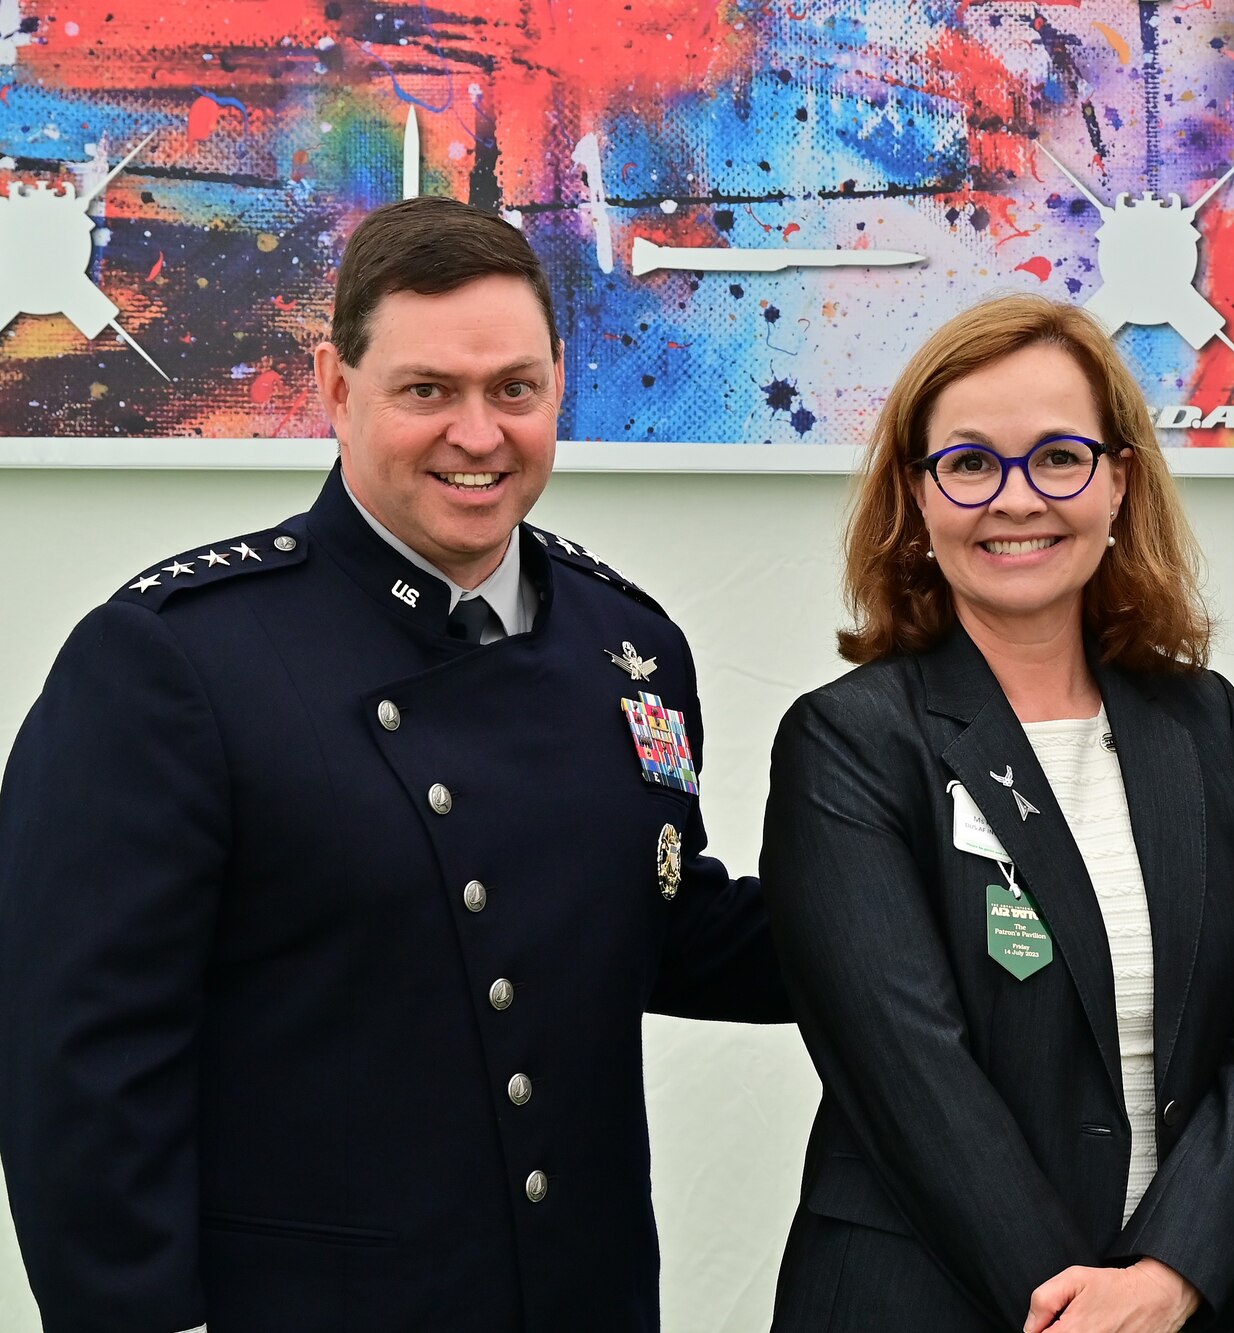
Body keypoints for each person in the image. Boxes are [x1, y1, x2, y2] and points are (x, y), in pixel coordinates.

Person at [0, 196, 789, 1332]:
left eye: (513, 389)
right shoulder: (175, 658)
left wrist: (932, 911)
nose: (478, 434)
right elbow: (80, 1065)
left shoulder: (628, 649)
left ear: (559, 384)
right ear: (334, 386)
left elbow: (651, 924)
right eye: (428, 391)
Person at [760, 293, 1234, 1332]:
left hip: (1183, 1303)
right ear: (915, 500)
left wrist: (1168, 1274)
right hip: (928, 1301)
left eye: (1058, 457)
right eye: (969, 463)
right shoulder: (849, 743)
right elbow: (912, 1078)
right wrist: (1077, 1311)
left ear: (1117, 481)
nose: (1016, 498)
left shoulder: (1202, 724)